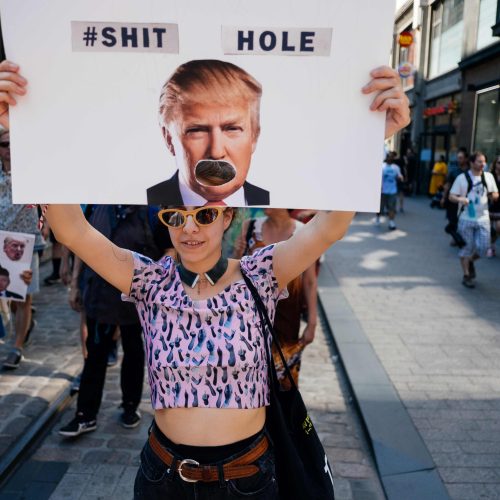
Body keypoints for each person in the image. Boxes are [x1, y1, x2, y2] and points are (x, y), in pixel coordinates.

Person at [0, 59, 409, 499]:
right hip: (164, 478)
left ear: (227, 215)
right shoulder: (148, 282)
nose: (191, 228)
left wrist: (372, 137)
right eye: (177, 216)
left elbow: (329, 225)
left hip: (247, 480)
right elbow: (71, 229)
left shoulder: (262, 275)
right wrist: (26, 127)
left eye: (205, 215)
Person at [58, 205, 163, 436]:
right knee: (95, 356)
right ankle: (85, 414)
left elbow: (168, 252)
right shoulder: (97, 207)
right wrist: (75, 284)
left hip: (135, 302)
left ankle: (130, 406)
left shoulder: (151, 212)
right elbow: (80, 245)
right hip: (99, 297)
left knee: (134, 353)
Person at [146, 60, 270, 206]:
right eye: (197, 130)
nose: (216, 152)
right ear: (169, 139)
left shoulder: (270, 201)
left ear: (254, 136)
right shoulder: (145, 203)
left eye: (232, 129)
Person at [232, 209, 317, 389]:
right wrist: (237, 254)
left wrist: (312, 323)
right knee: (250, 380)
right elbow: (233, 275)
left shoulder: (303, 233)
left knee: (284, 379)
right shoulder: (249, 228)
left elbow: (309, 281)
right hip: (251, 317)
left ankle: (282, 416)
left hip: (287, 316)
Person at [0, 128, 44, 369]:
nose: (9, 150)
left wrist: (44, 224)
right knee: (9, 295)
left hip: (26, 240)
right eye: (4, 145)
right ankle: (24, 325)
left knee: (23, 296)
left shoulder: (29, 172)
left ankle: (17, 346)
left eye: (12, 144)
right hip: (1, 239)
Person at [449, 152, 499, 288]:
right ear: (471, 163)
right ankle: (466, 275)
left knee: (484, 248)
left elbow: (495, 193)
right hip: (466, 218)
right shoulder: (462, 178)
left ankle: (470, 261)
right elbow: (451, 196)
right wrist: (460, 199)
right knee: (466, 247)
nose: (483, 164)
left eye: (484, 162)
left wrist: (493, 196)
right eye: (479, 162)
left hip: (483, 218)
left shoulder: (488, 177)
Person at [442, 148, 469, 247]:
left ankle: (457, 236)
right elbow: (447, 185)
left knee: (462, 220)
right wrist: (443, 198)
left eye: (461, 158)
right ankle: (455, 237)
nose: (459, 160)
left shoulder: (470, 172)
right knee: (452, 219)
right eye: (458, 158)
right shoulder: (453, 171)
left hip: (465, 200)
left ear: (466, 159)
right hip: (453, 200)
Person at [375, 153, 404, 230]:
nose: (391, 159)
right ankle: (378, 218)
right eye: (389, 157)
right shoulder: (382, 166)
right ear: (386, 158)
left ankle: (391, 222)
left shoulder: (396, 167)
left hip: (392, 191)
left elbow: (399, 175)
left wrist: (400, 177)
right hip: (382, 191)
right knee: (380, 207)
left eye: (392, 157)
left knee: (392, 207)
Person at [487, 156, 500, 257]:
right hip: (490, 206)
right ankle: (491, 247)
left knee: (499, 227)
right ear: (495, 164)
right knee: (491, 230)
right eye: (499, 163)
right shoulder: (490, 176)